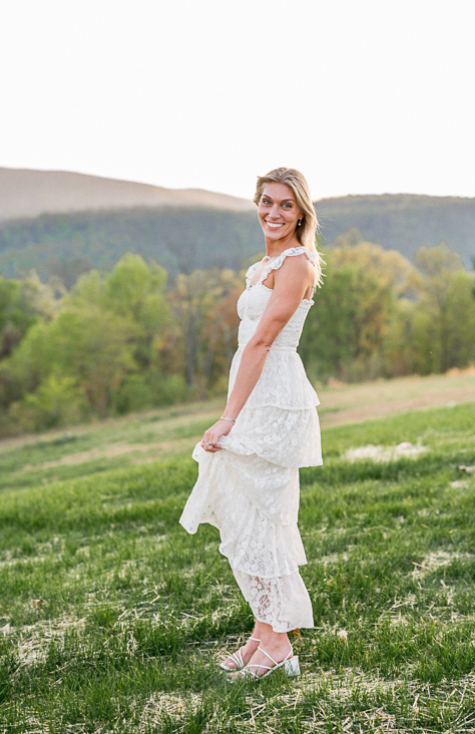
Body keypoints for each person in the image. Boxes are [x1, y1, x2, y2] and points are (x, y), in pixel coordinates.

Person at [179, 167, 324, 678]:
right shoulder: (260, 265)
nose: (273, 212)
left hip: (275, 398)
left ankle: (279, 641)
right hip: (252, 389)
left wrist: (226, 418)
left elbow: (262, 342)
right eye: (266, 202)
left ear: (301, 212)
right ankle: (263, 634)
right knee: (245, 512)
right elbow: (246, 346)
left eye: (285, 205)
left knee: (264, 514)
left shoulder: (298, 264)